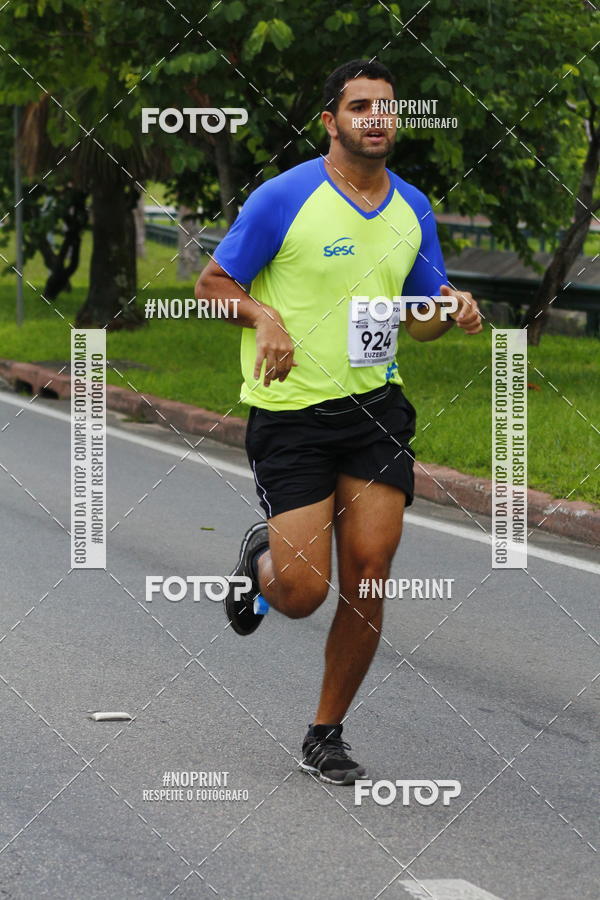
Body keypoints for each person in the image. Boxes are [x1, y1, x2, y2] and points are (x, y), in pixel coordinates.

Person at [195, 59, 482, 786]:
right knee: (301, 593)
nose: (376, 118)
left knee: (371, 571)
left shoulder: (412, 207)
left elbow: (419, 321)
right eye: (360, 107)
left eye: (387, 108)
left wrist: (451, 311)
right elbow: (212, 282)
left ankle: (326, 732)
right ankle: (261, 565)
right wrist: (264, 316)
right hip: (291, 415)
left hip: (375, 411)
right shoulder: (284, 196)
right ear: (331, 121)